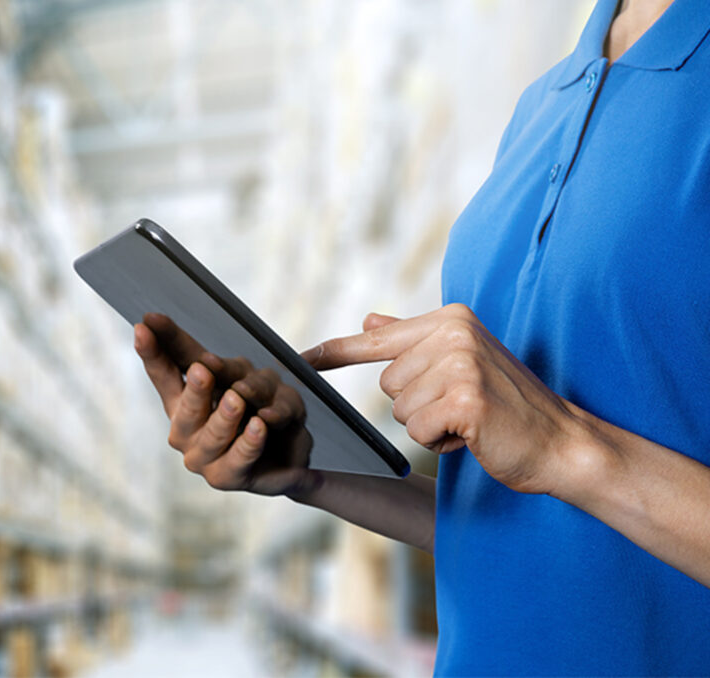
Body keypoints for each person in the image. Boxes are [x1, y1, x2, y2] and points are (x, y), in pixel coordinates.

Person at [133, 0, 710, 674]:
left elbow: (562, 462)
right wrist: (307, 471)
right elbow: (509, 533)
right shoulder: (540, 106)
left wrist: (566, 446)